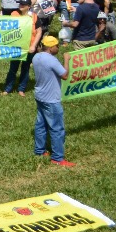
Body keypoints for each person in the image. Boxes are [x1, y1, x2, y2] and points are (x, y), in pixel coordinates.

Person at [32, 35, 73, 166]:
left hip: (40, 95)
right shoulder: (52, 60)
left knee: (41, 124)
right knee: (57, 128)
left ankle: (39, 150)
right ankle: (58, 157)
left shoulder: (36, 57)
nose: (58, 48)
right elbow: (65, 75)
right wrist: (67, 60)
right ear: (50, 48)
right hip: (51, 99)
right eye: (56, 46)